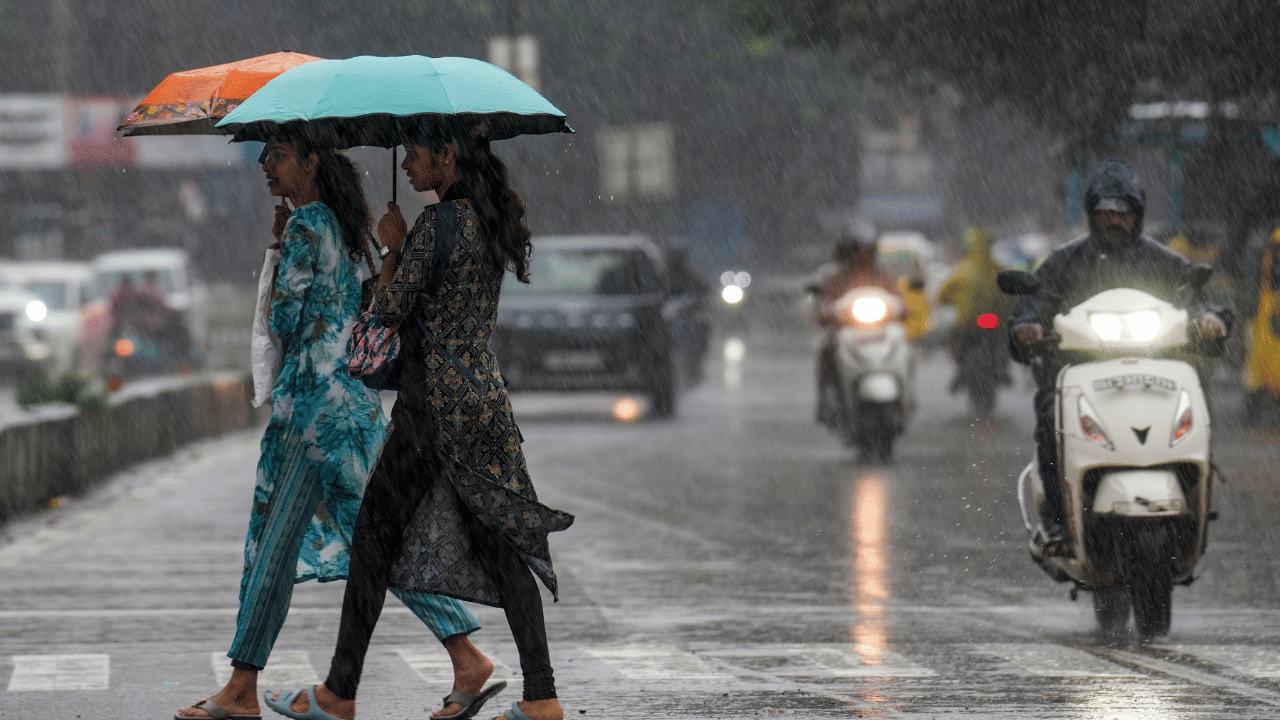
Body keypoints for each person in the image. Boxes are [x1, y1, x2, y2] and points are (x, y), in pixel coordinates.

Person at [176, 133, 497, 720]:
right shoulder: (346, 228)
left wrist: (277, 250)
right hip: (345, 406)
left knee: (307, 547)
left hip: (312, 416)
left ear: (310, 162)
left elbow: (286, 318)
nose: (264, 165)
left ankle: (464, 656)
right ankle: (246, 687)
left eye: (275, 155)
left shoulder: (305, 228)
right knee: (334, 546)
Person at [263, 121, 574, 720]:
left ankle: (339, 693)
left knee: (373, 545)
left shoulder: (437, 226)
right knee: (499, 547)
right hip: (483, 402)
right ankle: (542, 696)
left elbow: (387, 310)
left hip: (430, 410)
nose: (406, 166)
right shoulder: (489, 224)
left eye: (415, 155)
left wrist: (394, 249)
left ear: (446, 156)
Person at [1008, 157, 1230, 555]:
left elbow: (1196, 297)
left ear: (1137, 214)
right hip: (1080, 372)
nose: (1114, 220)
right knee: (1048, 413)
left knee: (1198, 407)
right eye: (1105, 212)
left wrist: (1209, 319)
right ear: (1092, 214)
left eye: (1122, 212)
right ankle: (1059, 522)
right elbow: (1035, 299)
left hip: (1157, 369)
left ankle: (1194, 503)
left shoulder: (1164, 261)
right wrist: (1028, 325)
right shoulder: (1063, 261)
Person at [813, 222, 902, 426]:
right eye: (857, 249)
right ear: (848, 251)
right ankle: (824, 401)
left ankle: (908, 394)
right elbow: (826, 302)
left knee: (906, 348)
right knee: (826, 351)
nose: (862, 254)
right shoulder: (838, 278)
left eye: (866, 250)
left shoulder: (883, 276)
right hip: (847, 332)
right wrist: (826, 312)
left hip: (881, 331)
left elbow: (898, 298)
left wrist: (903, 308)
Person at [936, 227, 1013, 396]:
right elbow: (1011, 296)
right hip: (995, 321)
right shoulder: (999, 269)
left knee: (952, 341)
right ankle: (1003, 371)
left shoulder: (960, 269)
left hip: (968, 323)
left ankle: (960, 371)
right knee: (1007, 339)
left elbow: (942, 296)